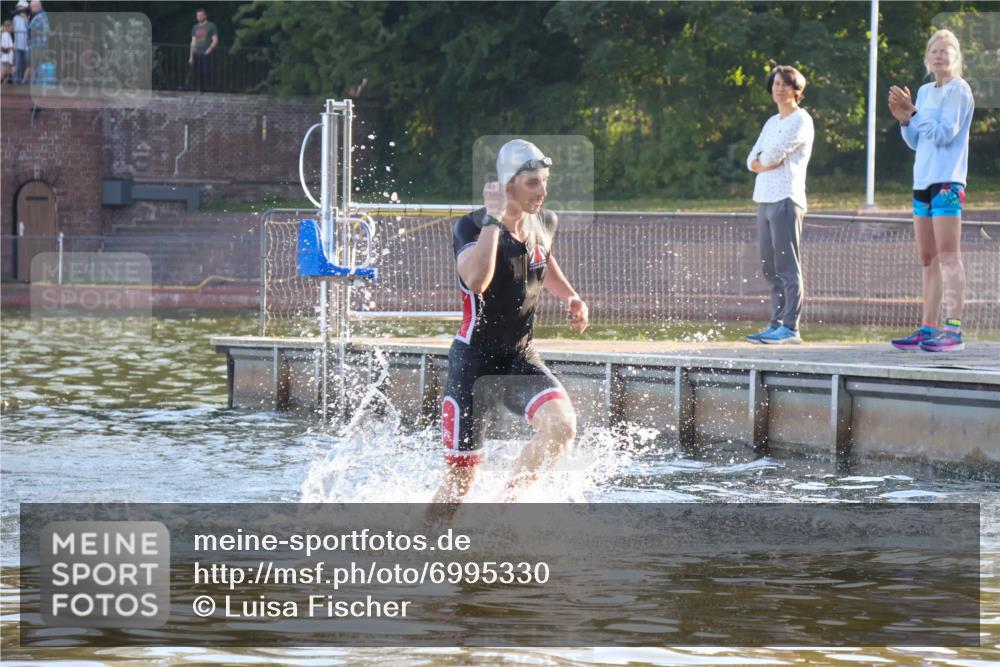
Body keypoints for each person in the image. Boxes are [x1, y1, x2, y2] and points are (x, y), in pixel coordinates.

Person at [430, 140, 589, 513]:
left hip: (520, 356)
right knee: (460, 481)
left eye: (545, 181)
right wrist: (492, 219)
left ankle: (503, 510)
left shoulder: (544, 222)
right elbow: (477, 281)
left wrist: (570, 297)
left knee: (562, 428)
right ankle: (421, 550)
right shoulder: (470, 225)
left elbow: (540, 258)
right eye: (533, 182)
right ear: (508, 185)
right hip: (474, 363)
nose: (543, 191)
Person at [888, 29, 974, 353]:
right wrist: (904, 121)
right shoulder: (923, 92)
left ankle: (954, 329)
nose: (939, 55)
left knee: (949, 255)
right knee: (928, 258)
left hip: (948, 181)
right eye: (934, 51)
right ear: (927, 57)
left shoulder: (959, 90)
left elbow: (943, 134)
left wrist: (913, 114)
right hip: (922, 180)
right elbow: (918, 141)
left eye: (946, 50)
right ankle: (928, 327)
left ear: (956, 56)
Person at [744, 65, 815, 345]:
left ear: (797, 90)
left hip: (786, 198)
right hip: (764, 198)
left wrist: (765, 160)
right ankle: (775, 323)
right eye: (775, 84)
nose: (779, 89)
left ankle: (790, 327)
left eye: (785, 84)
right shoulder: (772, 122)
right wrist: (762, 163)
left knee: (788, 266)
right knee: (769, 266)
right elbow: (752, 159)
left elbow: (773, 153)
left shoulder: (801, 120)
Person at [189, 6, 218, 92]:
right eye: (197, 16)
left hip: (206, 53)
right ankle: (198, 89)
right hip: (196, 53)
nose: (199, 17)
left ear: (205, 16)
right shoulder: (195, 27)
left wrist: (209, 50)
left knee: (206, 72)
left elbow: (215, 40)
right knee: (197, 72)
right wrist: (191, 56)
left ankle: (207, 89)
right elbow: (193, 42)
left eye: (201, 16)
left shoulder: (211, 26)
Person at [12, 0, 28, 83]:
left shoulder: (29, 17)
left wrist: (25, 18)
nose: (19, 10)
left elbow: (30, 28)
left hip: (27, 46)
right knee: (17, 65)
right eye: (18, 8)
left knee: (28, 65)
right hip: (17, 46)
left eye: (20, 8)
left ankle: (28, 84)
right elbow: (14, 30)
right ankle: (16, 83)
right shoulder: (15, 18)